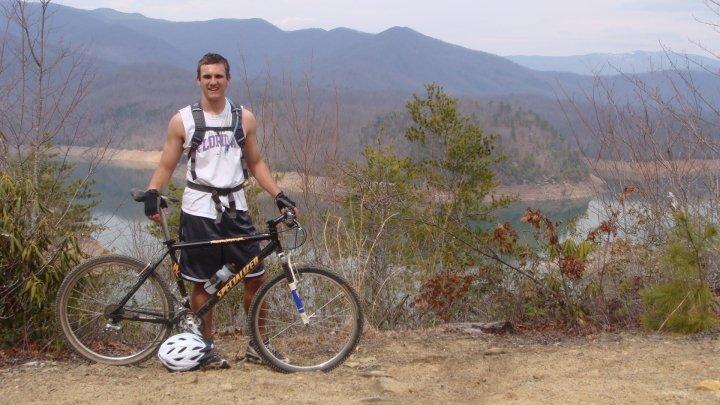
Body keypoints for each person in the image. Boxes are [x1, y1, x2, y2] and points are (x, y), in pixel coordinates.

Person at [144, 53, 297, 369]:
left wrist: (279, 194)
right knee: (202, 283)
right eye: (206, 76)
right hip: (199, 211)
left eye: (218, 76)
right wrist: (152, 191)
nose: (213, 81)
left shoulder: (244, 118)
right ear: (198, 80)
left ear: (228, 79)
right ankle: (205, 347)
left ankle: (259, 345)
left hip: (236, 209)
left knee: (256, 277)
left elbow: (255, 163)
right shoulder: (183, 120)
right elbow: (166, 164)